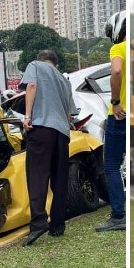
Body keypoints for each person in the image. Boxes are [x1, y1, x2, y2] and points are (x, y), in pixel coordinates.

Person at [20, 50, 78, 246]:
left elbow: (32, 85)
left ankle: (38, 222)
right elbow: (70, 113)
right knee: (59, 178)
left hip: (42, 127)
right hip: (62, 133)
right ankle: (58, 225)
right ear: (56, 63)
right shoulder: (64, 80)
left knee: (37, 174)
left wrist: (27, 116)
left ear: (40, 59)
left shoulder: (35, 66)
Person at [96, 10, 127, 232]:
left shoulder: (119, 48)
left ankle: (119, 216)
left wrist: (115, 102)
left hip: (120, 116)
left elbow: (116, 71)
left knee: (111, 166)